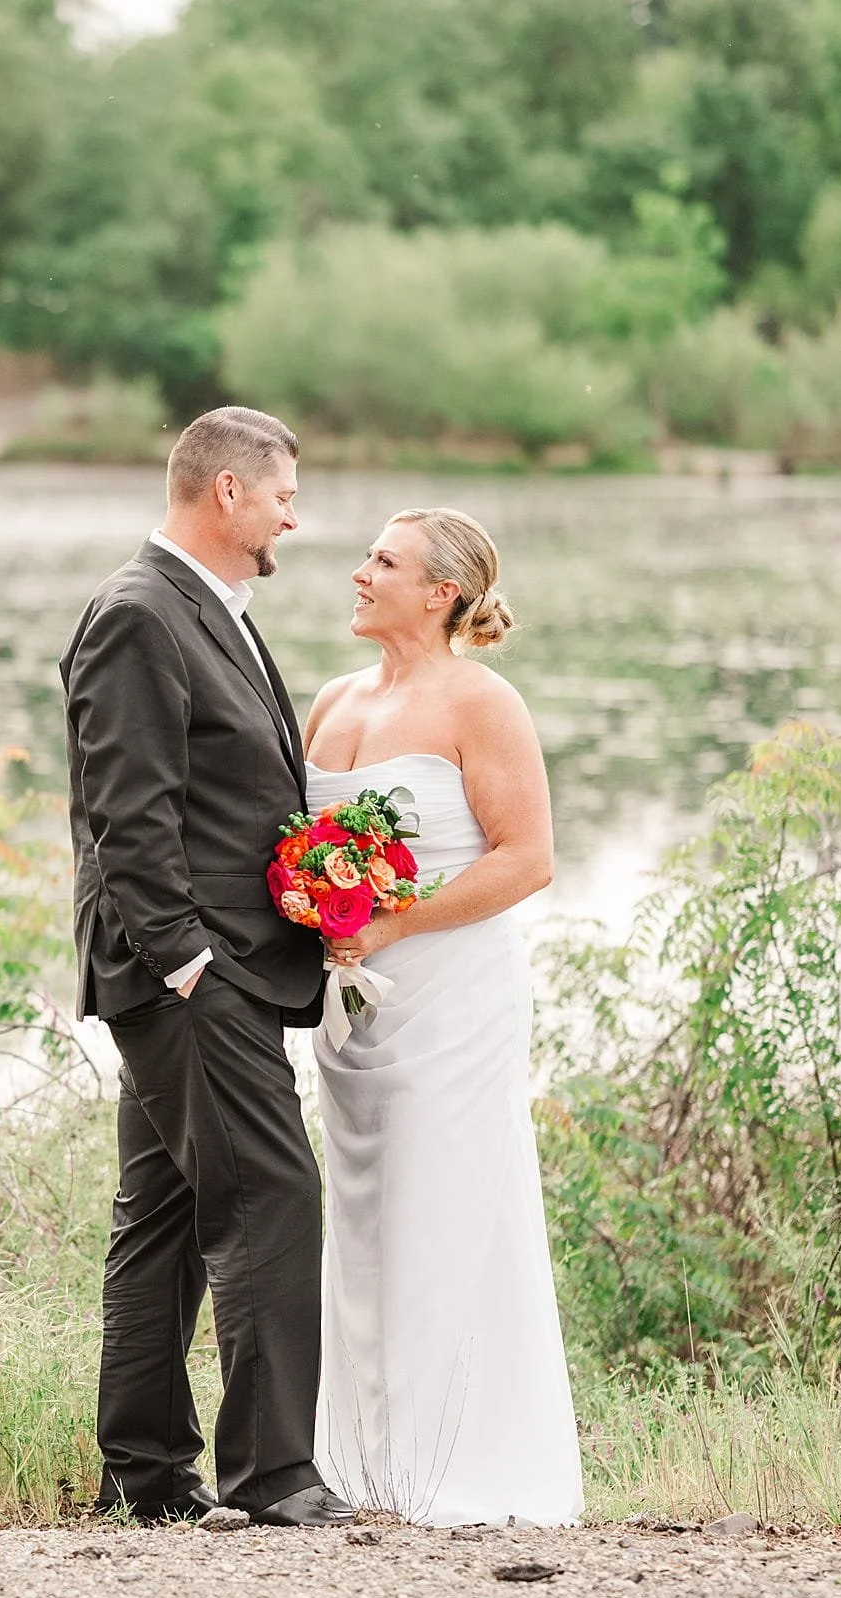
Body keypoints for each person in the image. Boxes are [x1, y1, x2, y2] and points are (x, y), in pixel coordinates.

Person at [58, 407, 354, 1527]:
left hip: (208, 966)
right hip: (188, 973)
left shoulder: (205, 607)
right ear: (225, 492)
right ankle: (273, 1474)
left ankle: (144, 1471)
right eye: (284, 493)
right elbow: (125, 813)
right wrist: (187, 962)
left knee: (168, 1211)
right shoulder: (140, 614)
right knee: (272, 1190)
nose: (294, 514)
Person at [302, 507, 585, 1527]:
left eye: (382, 561)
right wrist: (315, 907)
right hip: (351, 1004)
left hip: (451, 994)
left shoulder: (482, 700)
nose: (359, 572)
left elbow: (527, 856)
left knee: (446, 1209)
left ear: (439, 593)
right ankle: (357, 1462)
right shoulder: (333, 701)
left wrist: (393, 924)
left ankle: (465, 1465)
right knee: (362, 1219)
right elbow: (298, 839)